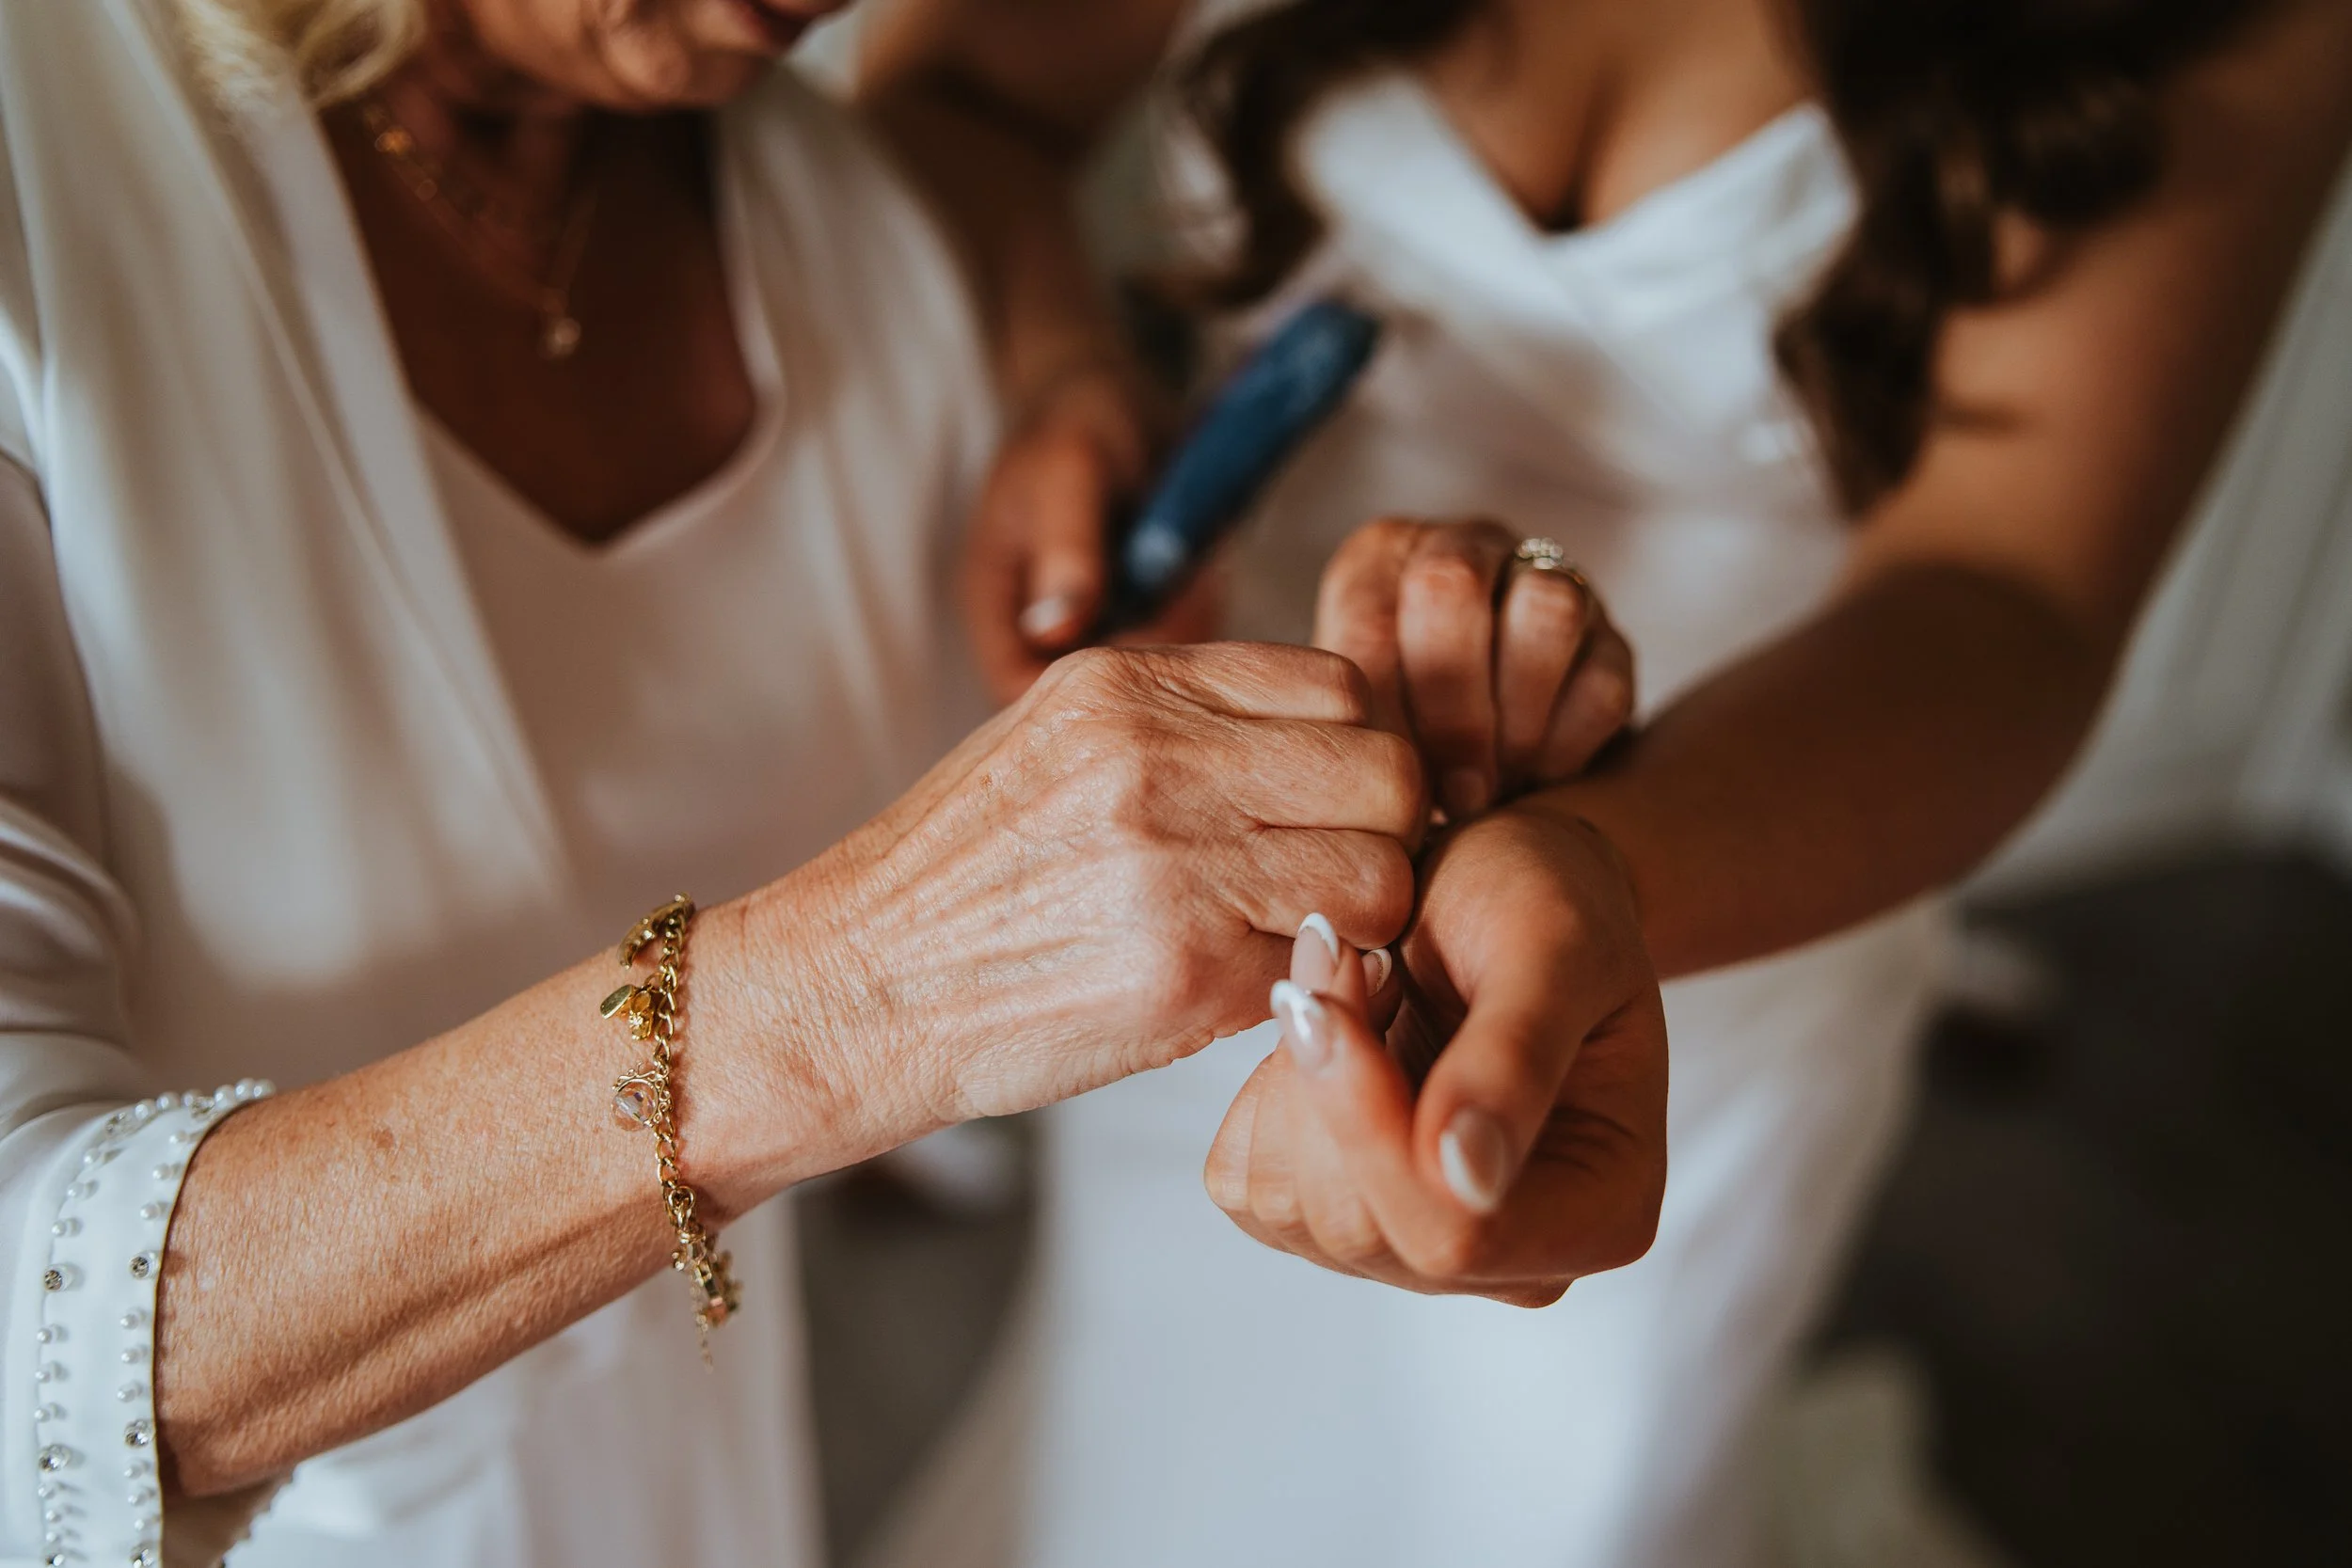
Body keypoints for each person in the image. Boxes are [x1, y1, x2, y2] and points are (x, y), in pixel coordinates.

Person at [0, 2, 1666, 1565]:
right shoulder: (39, 184)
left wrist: (1416, 725)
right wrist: (845, 1001)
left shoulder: (853, 243)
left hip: (694, 1473)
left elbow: (1013, 823)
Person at [858, 0, 2352, 1563]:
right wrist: (1061, 368)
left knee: (1561, 1496)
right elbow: (958, 99)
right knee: (1152, 1443)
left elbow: (2012, 600)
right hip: (1261, 870)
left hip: (1720, 892)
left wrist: (1599, 866)